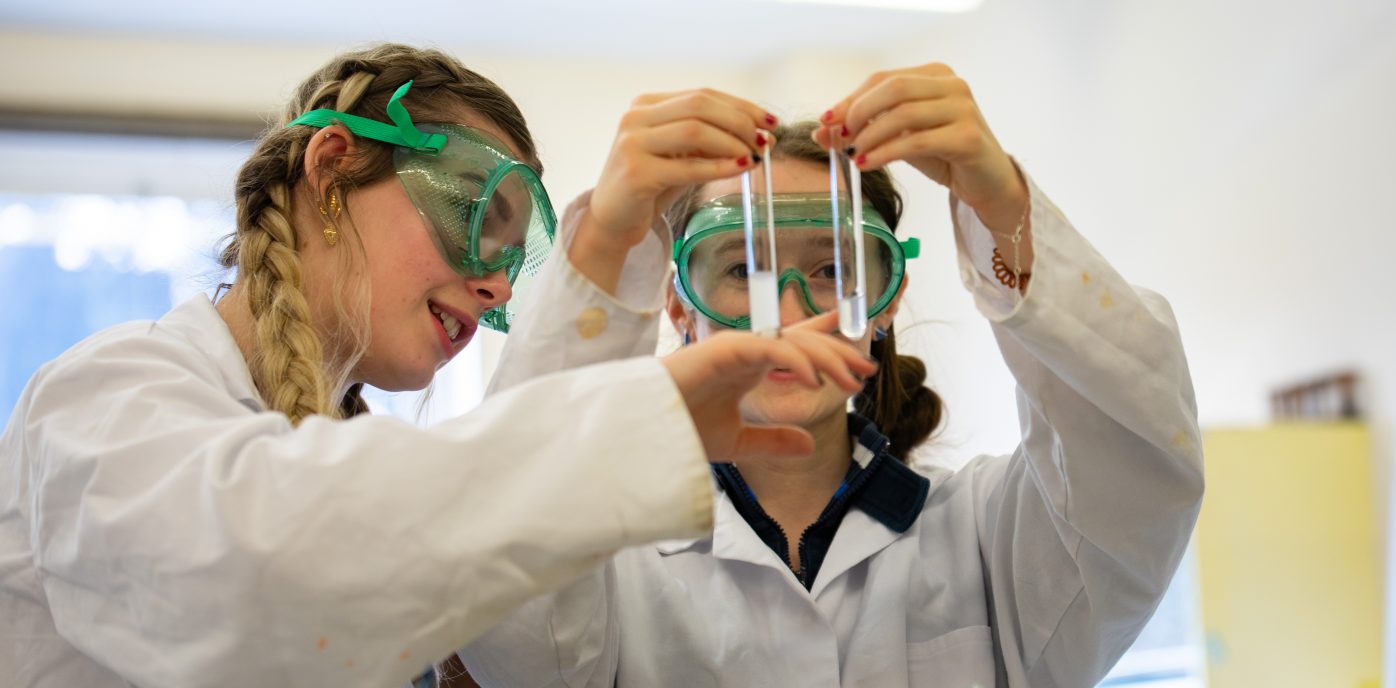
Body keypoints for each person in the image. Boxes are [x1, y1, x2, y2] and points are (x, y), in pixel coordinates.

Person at [0, 44, 876, 688]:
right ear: (333, 167)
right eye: (474, 218)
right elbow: (260, 569)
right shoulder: (103, 396)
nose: (493, 282)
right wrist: (628, 424)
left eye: (511, 253)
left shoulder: (362, 458)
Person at [457, 64, 1205, 687]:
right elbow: (505, 593)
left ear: (885, 302)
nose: (786, 313)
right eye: (741, 267)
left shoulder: (987, 539)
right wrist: (607, 240)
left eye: (830, 269)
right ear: (677, 304)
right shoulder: (604, 566)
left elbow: (1137, 467)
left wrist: (1003, 209)